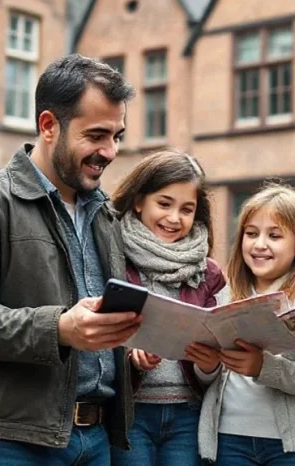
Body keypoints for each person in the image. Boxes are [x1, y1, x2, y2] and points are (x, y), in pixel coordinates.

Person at [0, 54, 140, 465]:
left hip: (97, 438)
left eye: (117, 135)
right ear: (49, 126)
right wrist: (60, 328)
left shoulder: (106, 214)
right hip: (12, 438)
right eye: (97, 135)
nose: (110, 151)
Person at [198, 185, 295, 466]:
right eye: (251, 234)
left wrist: (263, 367)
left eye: (274, 235)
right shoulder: (225, 295)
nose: (260, 244)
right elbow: (207, 379)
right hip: (227, 440)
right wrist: (206, 366)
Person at [109, 149, 226, 466]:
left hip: (187, 414)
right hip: (131, 413)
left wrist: (209, 363)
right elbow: (96, 341)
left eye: (187, 209)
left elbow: (218, 354)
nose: (175, 218)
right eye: (164, 204)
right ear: (138, 201)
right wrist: (132, 357)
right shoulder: (113, 260)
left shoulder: (209, 273)